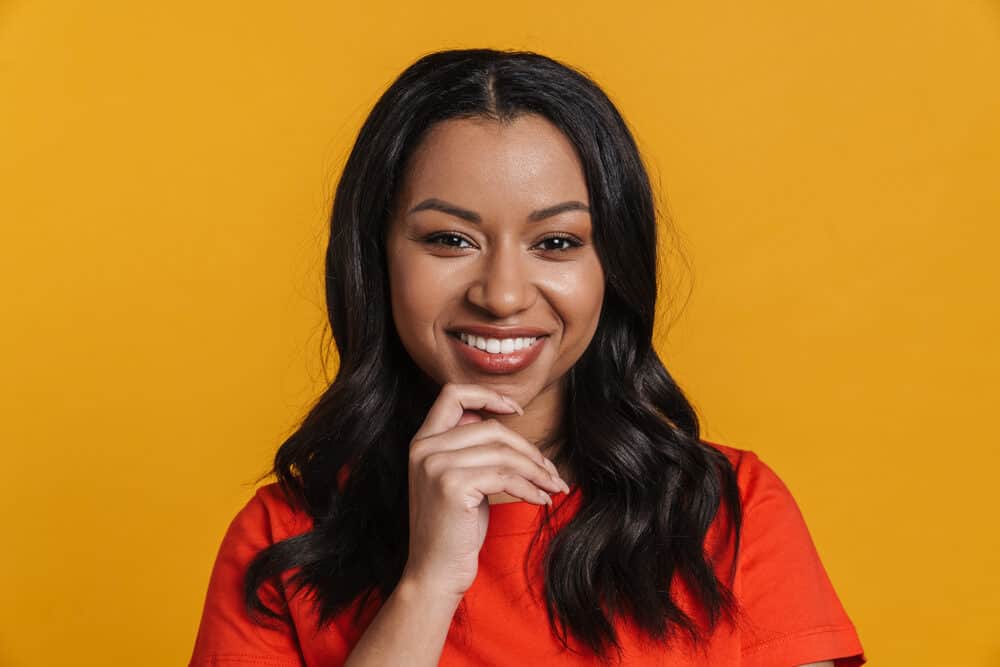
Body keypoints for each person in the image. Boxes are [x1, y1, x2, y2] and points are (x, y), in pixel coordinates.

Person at [188, 48, 866, 666]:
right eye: (451, 239)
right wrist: (427, 585)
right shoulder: (282, 539)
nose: (503, 295)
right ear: (376, 257)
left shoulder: (732, 514)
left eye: (557, 243)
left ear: (614, 265)